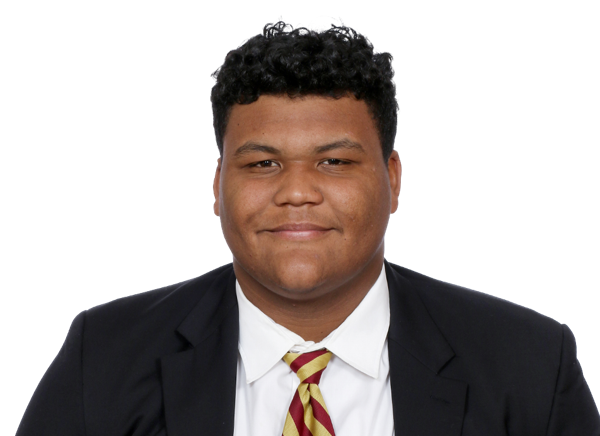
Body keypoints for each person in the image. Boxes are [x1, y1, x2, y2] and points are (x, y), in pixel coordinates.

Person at [17, 19, 599, 436]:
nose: (297, 191)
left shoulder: (530, 365)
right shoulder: (104, 357)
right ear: (217, 185)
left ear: (393, 179)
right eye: (262, 164)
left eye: (335, 161)